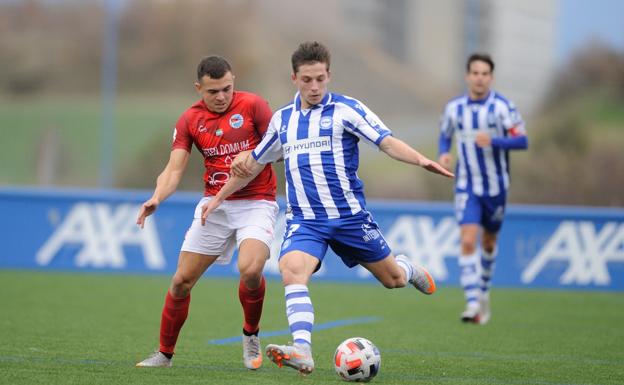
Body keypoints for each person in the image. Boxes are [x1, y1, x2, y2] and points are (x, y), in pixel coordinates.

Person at [200, 41, 454, 375]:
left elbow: (386, 142)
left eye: (320, 78)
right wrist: (217, 199)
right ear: (294, 78)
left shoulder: (347, 110)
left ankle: (407, 268)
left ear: (329, 75)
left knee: (391, 279)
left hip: (349, 218)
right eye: (307, 80)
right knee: (291, 269)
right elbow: (252, 165)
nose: (315, 86)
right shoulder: (283, 121)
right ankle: (302, 350)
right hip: (306, 221)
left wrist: (422, 160)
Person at [135, 55, 278, 369]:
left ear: (233, 81)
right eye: (213, 91)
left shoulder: (254, 106)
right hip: (214, 206)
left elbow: (279, 151)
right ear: (198, 88)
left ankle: (251, 335)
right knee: (181, 281)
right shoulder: (189, 120)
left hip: (257, 202)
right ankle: (164, 354)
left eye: (227, 88)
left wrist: (252, 155)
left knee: (251, 270)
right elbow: (174, 169)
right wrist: (157, 197)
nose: (222, 96)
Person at [437, 53, 528, 324]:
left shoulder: (503, 107)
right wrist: (444, 154)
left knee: (489, 241)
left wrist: (495, 142)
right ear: (467, 76)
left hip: (496, 186)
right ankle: (472, 301)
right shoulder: (454, 108)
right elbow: (445, 135)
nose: (479, 78)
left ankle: (484, 290)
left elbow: (522, 141)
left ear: (491, 77)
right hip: (467, 186)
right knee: (467, 240)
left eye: (484, 73)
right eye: (475, 73)